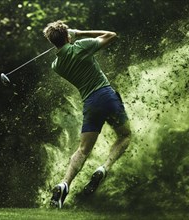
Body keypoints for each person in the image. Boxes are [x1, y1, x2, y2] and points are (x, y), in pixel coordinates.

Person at [43, 20, 131, 209]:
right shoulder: (80, 47)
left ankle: (64, 184)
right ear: (68, 36)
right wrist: (80, 33)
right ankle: (103, 168)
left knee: (83, 150)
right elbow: (111, 34)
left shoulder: (56, 65)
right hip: (106, 94)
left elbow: (64, 49)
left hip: (90, 103)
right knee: (125, 135)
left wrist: (66, 37)